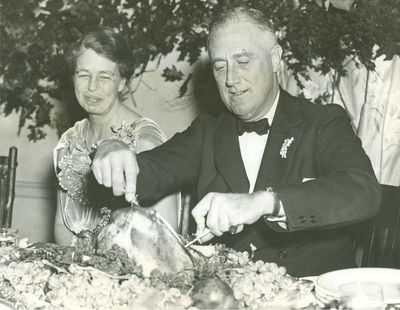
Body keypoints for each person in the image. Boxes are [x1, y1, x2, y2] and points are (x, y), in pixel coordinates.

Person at [91, 7, 381, 277]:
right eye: (220, 67)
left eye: (243, 61)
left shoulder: (322, 121)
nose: (231, 79)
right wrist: (113, 149)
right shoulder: (209, 131)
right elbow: (153, 169)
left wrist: (264, 201)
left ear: (275, 58)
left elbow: (363, 190)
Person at [53, 27, 179, 245]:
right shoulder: (69, 141)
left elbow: (164, 238)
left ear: (122, 83)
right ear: (73, 78)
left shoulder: (145, 140)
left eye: (105, 76)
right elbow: (61, 227)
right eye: (83, 75)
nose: (92, 86)